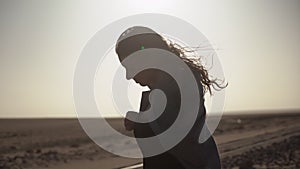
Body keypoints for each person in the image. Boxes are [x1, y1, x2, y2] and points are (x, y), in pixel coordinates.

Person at [115, 26, 226, 169]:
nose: (129, 75)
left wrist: (142, 121)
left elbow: (175, 135)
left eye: (130, 66)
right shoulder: (166, 89)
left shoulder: (180, 86)